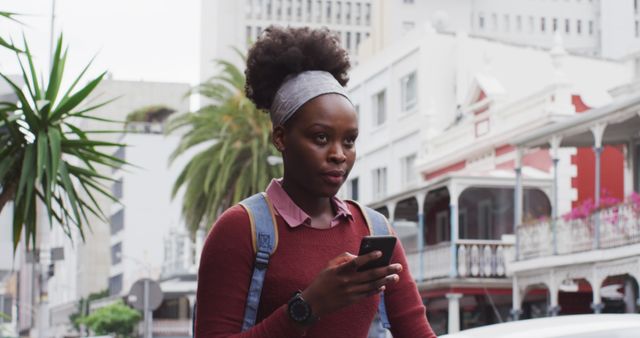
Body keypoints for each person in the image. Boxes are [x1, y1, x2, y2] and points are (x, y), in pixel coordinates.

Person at [195, 25, 437, 338]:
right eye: (320, 138)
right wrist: (309, 306)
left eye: (349, 141)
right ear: (281, 137)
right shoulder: (240, 230)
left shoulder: (375, 229)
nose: (339, 155)